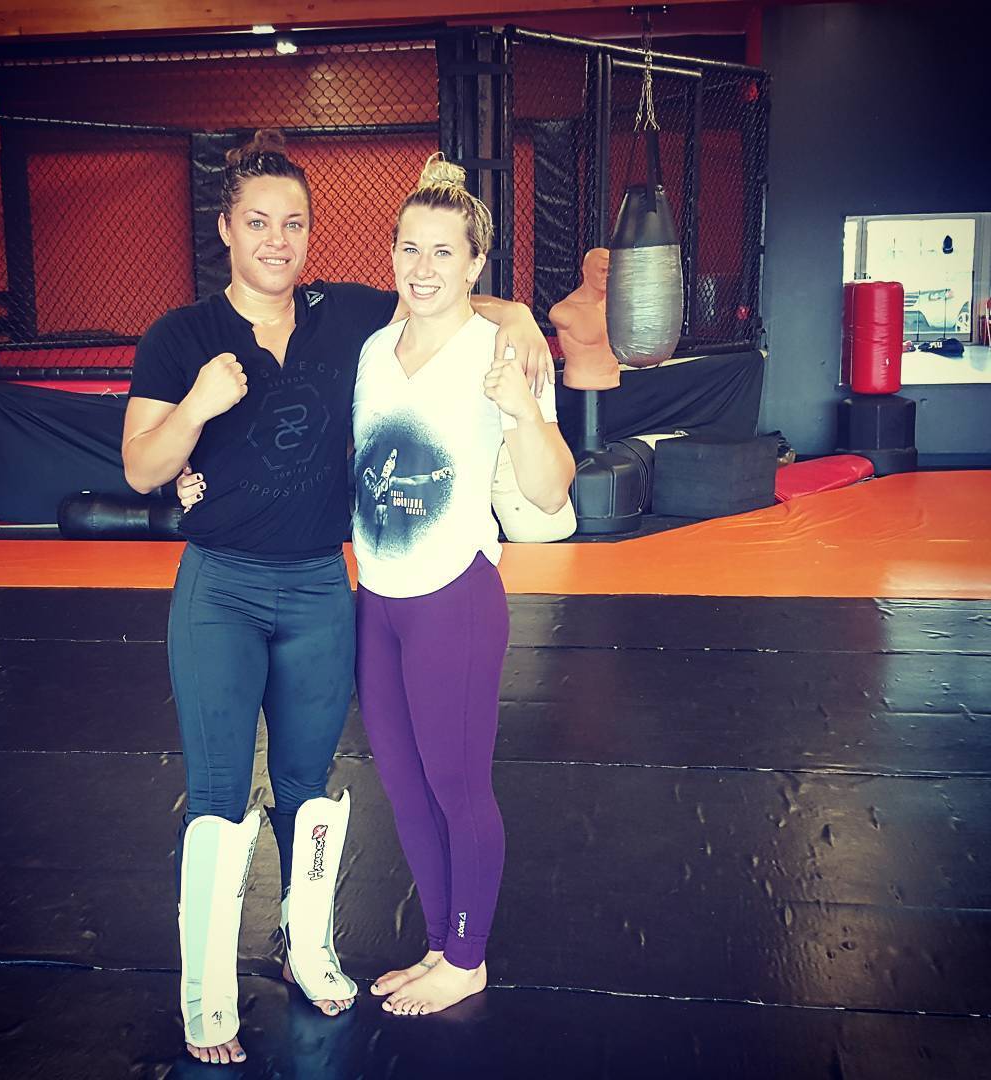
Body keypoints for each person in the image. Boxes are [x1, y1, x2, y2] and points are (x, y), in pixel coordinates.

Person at [122, 129, 553, 1066]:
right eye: (258, 222)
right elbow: (142, 466)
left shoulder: (346, 316)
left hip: (326, 586)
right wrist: (195, 411)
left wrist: (518, 314)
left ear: (311, 233)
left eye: (294, 223)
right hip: (234, 586)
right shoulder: (183, 337)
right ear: (226, 228)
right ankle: (209, 990)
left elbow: (445, 293)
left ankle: (312, 947)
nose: (277, 240)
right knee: (227, 791)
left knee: (313, 789)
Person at [351, 156, 574, 1016]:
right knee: (405, 791)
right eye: (410, 248)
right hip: (377, 600)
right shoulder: (373, 351)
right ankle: (442, 945)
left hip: (454, 601)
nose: (423, 267)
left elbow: (551, 492)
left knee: (457, 788)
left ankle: (468, 959)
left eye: (444, 251)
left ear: (476, 263)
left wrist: (521, 408)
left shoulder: (502, 350)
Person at [548, 247, 622, 391]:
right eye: (602, 270)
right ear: (586, 271)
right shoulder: (564, 312)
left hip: (614, 381)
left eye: (611, 270)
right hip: (580, 383)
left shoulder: (618, 306)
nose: (607, 275)